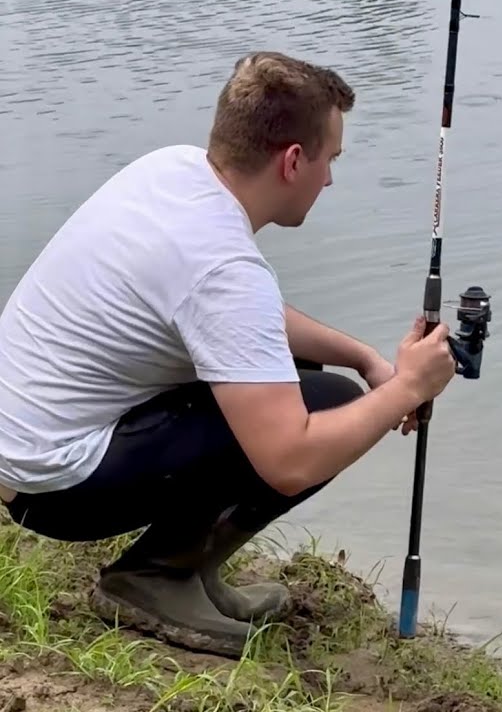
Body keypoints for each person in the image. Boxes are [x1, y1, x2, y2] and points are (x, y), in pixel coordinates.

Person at [0, 51, 459, 658]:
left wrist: (364, 357)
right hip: (59, 487)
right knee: (326, 407)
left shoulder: (171, 171)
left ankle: (187, 570)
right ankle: (155, 577)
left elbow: (239, 322)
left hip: (23, 454)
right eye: (331, 160)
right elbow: (289, 461)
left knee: (298, 375)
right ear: (293, 161)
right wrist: (407, 389)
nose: (329, 180)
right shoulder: (222, 268)